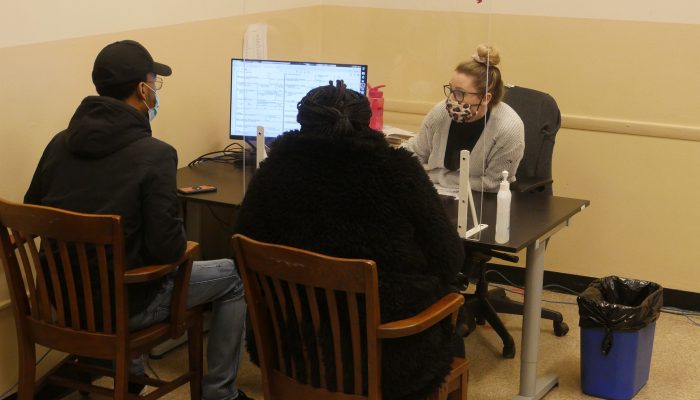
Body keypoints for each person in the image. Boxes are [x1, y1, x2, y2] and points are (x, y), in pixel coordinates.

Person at [24, 40, 252, 400]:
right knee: (233, 275)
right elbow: (168, 248)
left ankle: (129, 372)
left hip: (60, 302)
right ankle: (221, 394)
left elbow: (31, 209)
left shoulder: (59, 142)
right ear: (142, 90)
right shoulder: (155, 155)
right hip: (124, 307)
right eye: (153, 82)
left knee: (123, 262)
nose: (156, 92)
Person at [234, 81, 465, 400]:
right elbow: (450, 259)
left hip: (288, 348)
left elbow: (242, 246)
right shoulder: (397, 172)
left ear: (303, 123)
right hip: (387, 360)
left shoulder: (272, 171)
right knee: (453, 307)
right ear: (367, 123)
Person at [404, 44, 525, 192]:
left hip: (482, 202)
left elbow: (492, 184)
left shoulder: (508, 128)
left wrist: (437, 176)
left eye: (460, 93)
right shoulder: (440, 112)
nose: (451, 99)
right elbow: (413, 154)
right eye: (451, 90)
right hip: (436, 195)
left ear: (485, 98)